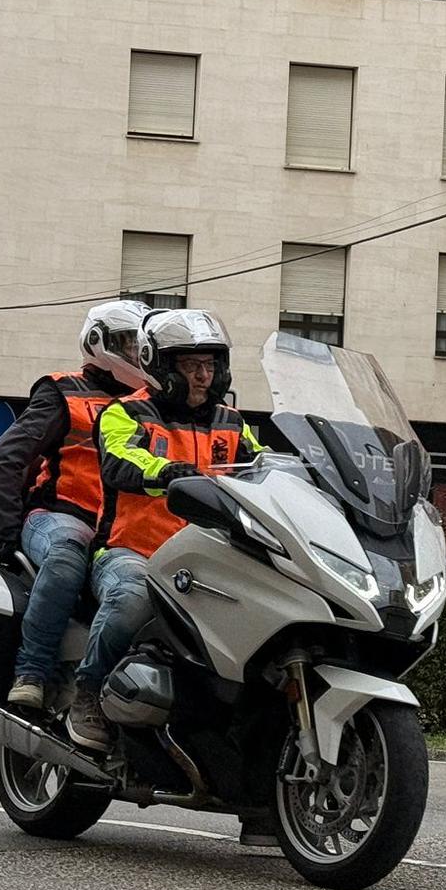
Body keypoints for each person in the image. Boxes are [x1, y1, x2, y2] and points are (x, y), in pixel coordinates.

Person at [66, 308, 260, 754]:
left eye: (210, 365)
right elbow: (120, 460)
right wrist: (168, 471)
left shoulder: (231, 423)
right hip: (133, 552)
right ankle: (89, 691)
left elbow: (263, 466)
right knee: (132, 596)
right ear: (161, 367)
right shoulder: (125, 413)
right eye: (191, 366)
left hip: (209, 558)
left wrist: (305, 476)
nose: (204, 376)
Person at [0, 300, 152, 711]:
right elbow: (7, 458)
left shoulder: (154, 404)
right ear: (98, 342)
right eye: (128, 343)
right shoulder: (65, 392)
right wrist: (8, 532)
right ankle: (32, 671)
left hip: (120, 532)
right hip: (62, 514)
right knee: (67, 555)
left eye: (141, 344)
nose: (136, 353)